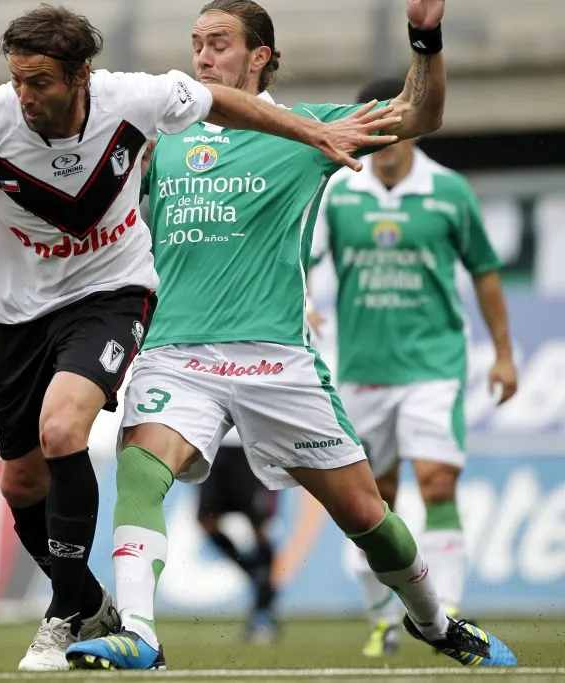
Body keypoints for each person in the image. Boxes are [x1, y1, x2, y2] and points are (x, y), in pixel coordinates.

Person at [0, 2, 392, 671]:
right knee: (20, 483)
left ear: (81, 76)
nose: (24, 94)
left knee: (64, 430)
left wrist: (308, 131)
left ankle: (66, 611)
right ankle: (88, 598)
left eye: (38, 81)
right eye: (16, 79)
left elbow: (222, 100)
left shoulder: (137, 98)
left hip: (112, 294)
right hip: (19, 314)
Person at [66, 0, 517, 670]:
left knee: (368, 515)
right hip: (177, 352)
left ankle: (433, 620)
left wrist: (425, 37)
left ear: (262, 57)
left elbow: (419, 115)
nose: (203, 56)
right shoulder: (162, 135)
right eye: (196, 43)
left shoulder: (311, 130)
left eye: (219, 42)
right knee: (138, 469)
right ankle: (141, 632)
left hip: (276, 359)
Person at [309, 77, 518, 658]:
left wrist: (503, 353)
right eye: (372, 120)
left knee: (437, 481)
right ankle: (383, 618)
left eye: (394, 119)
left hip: (434, 364)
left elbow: (484, 271)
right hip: (363, 369)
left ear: (408, 122)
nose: (385, 132)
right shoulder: (338, 191)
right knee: (372, 501)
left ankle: (445, 616)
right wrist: (299, 295)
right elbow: (294, 249)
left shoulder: (449, 191)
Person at [197, 432, 279, 644]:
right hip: (213, 444)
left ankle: (263, 612)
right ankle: (260, 583)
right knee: (206, 521)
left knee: (260, 526)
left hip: (252, 444)